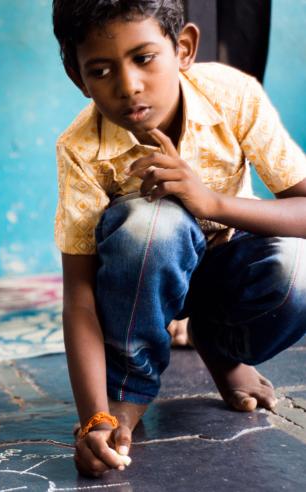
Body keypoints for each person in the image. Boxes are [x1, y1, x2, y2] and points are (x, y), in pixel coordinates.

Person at [51, 0, 306, 478]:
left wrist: (211, 203)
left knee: (299, 266)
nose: (128, 86)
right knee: (152, 224)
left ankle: (221, 347)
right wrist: (94, 417)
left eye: (144, 58)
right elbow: (80, 298)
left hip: (223, 269)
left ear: (183, 47)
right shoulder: (82, 149)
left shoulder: (231, 96)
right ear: (77, 75)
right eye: (101, 70)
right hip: (143, 283)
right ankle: (130, 389)